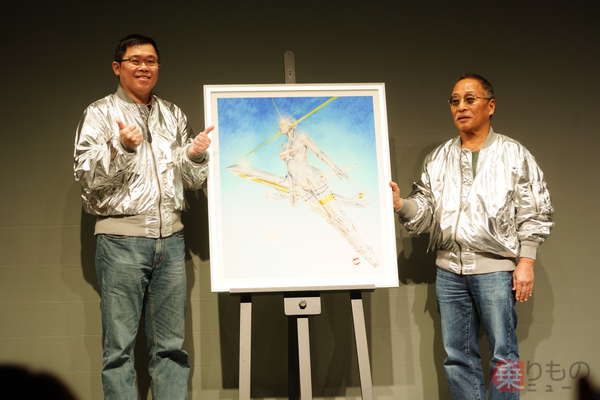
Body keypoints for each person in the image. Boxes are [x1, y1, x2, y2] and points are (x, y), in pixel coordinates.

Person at [390, 73, 553, 399]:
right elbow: (426, 209)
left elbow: (534, 209)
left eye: (469, 99)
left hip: (495, 270)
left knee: (504, 354)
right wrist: (401, 205)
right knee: (457, 357)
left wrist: (526, 261)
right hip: (449, 271)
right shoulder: (439, 157)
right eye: (454, 101)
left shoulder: (513, 154)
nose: (461, 107)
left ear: (490, 106)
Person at [73, 34, 212, 400]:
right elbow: (85, 176)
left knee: (171, 348)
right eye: (135, 60)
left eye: (150, 61)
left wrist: (195, 156)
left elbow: (191, 181)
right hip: (121, 241)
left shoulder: (173, 113)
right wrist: (121, 147)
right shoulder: (100, 112)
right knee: (118, 350)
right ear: (117, 67)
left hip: (172, 241)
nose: (144, 67)